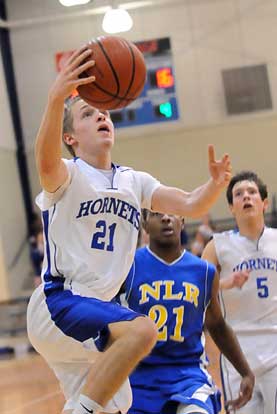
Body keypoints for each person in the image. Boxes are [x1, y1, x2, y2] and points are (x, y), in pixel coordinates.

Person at [26, 45, 232, 414]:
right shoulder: (68, 174)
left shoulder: (134, 181)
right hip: (61, 303)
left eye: (105, 112)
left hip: (96, 315)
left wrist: (214, 186)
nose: (102, 117)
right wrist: (57, 97)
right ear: (70, 137)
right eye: (88, 114)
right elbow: (43, 159)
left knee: (117, 405)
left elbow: (189, 204)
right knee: (142, 330)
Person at [123, 210, 254, 414]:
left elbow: (217, 325)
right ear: (145, 224)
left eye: (172, 213)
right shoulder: (127, 267)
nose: (166, 218)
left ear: (182, 222)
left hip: (188, 375)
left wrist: (245, 372)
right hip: (138, 377)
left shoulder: (203, 271)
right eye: (157, 214)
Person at [202, 171, 277, 413]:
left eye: (252, 192)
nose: (246, 197)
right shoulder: (217, 245)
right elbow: (196, 291)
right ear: (231, 207)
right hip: (237, 351)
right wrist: (225, 283)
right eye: (238, 194)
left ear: (264, 203)